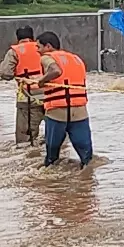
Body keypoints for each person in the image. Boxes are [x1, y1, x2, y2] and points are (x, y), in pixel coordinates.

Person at [34, 32, 93, 168]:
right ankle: (88, 180)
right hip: (79, 111)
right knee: (87, 157)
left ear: (48, 46)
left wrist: (41, 81)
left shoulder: (46, 58)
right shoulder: (76, 58)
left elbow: (56, 70)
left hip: (57, 111)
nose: (38, 51)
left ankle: (52, 183)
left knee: (51, 157)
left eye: (39, 47)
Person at [0, 26, 50, 145]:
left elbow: (6, 73)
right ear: (32, 37)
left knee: (25, 141)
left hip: (29, 97)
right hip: (51, 96)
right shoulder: (44, 48)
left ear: (18, 39)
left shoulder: (14, 51)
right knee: (56, 135)